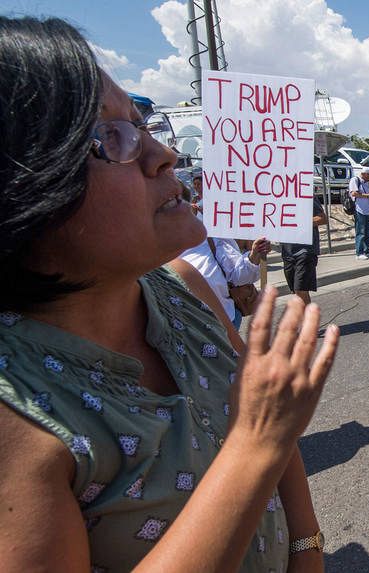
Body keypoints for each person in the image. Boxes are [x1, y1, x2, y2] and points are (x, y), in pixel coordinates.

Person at [0, 16, 339, 572]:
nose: (164, 156)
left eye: (141, 125)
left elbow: (278, 448)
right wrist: (257, 441)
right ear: (25, 183)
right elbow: (265, 433)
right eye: (112, 138)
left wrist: (306, 548)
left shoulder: (181, 286)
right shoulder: (18, 412)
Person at [179, 226, 270, 330]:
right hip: (184, 325)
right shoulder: (162, 241)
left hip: (222, 321)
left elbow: (239, 275)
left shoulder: (212, 236)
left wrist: (254, 255)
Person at [281, 197, 327, 304]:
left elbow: (322, 218)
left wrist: (299, 221)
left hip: (305, 251)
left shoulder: (306, 194)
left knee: (301, 290)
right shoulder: (278, 197)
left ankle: (309, 320)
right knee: (296, 292)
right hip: (287, 250)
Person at [349, 168, 369, 260]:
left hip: (367, 210)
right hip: (359, 210)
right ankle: (359, 252)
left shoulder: (366, 183)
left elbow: (366, 197)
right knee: (360, 232)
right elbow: (354, 193)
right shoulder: (355, 180)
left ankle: (366, 250)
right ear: (364, 174)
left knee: (367, 232)